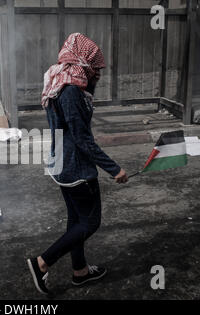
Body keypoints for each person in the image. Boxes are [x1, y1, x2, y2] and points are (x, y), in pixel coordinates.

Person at [27, 33, 128, 295]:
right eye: (95, 67)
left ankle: (80, 272)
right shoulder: (71, 90)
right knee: (90, 222)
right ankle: (42, 262)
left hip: (61, 162)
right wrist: (114, 168)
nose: (97, 73)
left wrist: (90, 85)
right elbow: (82, 138)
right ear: (83, 61)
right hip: (76, 166)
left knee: (76, 220)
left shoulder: (57, 80)